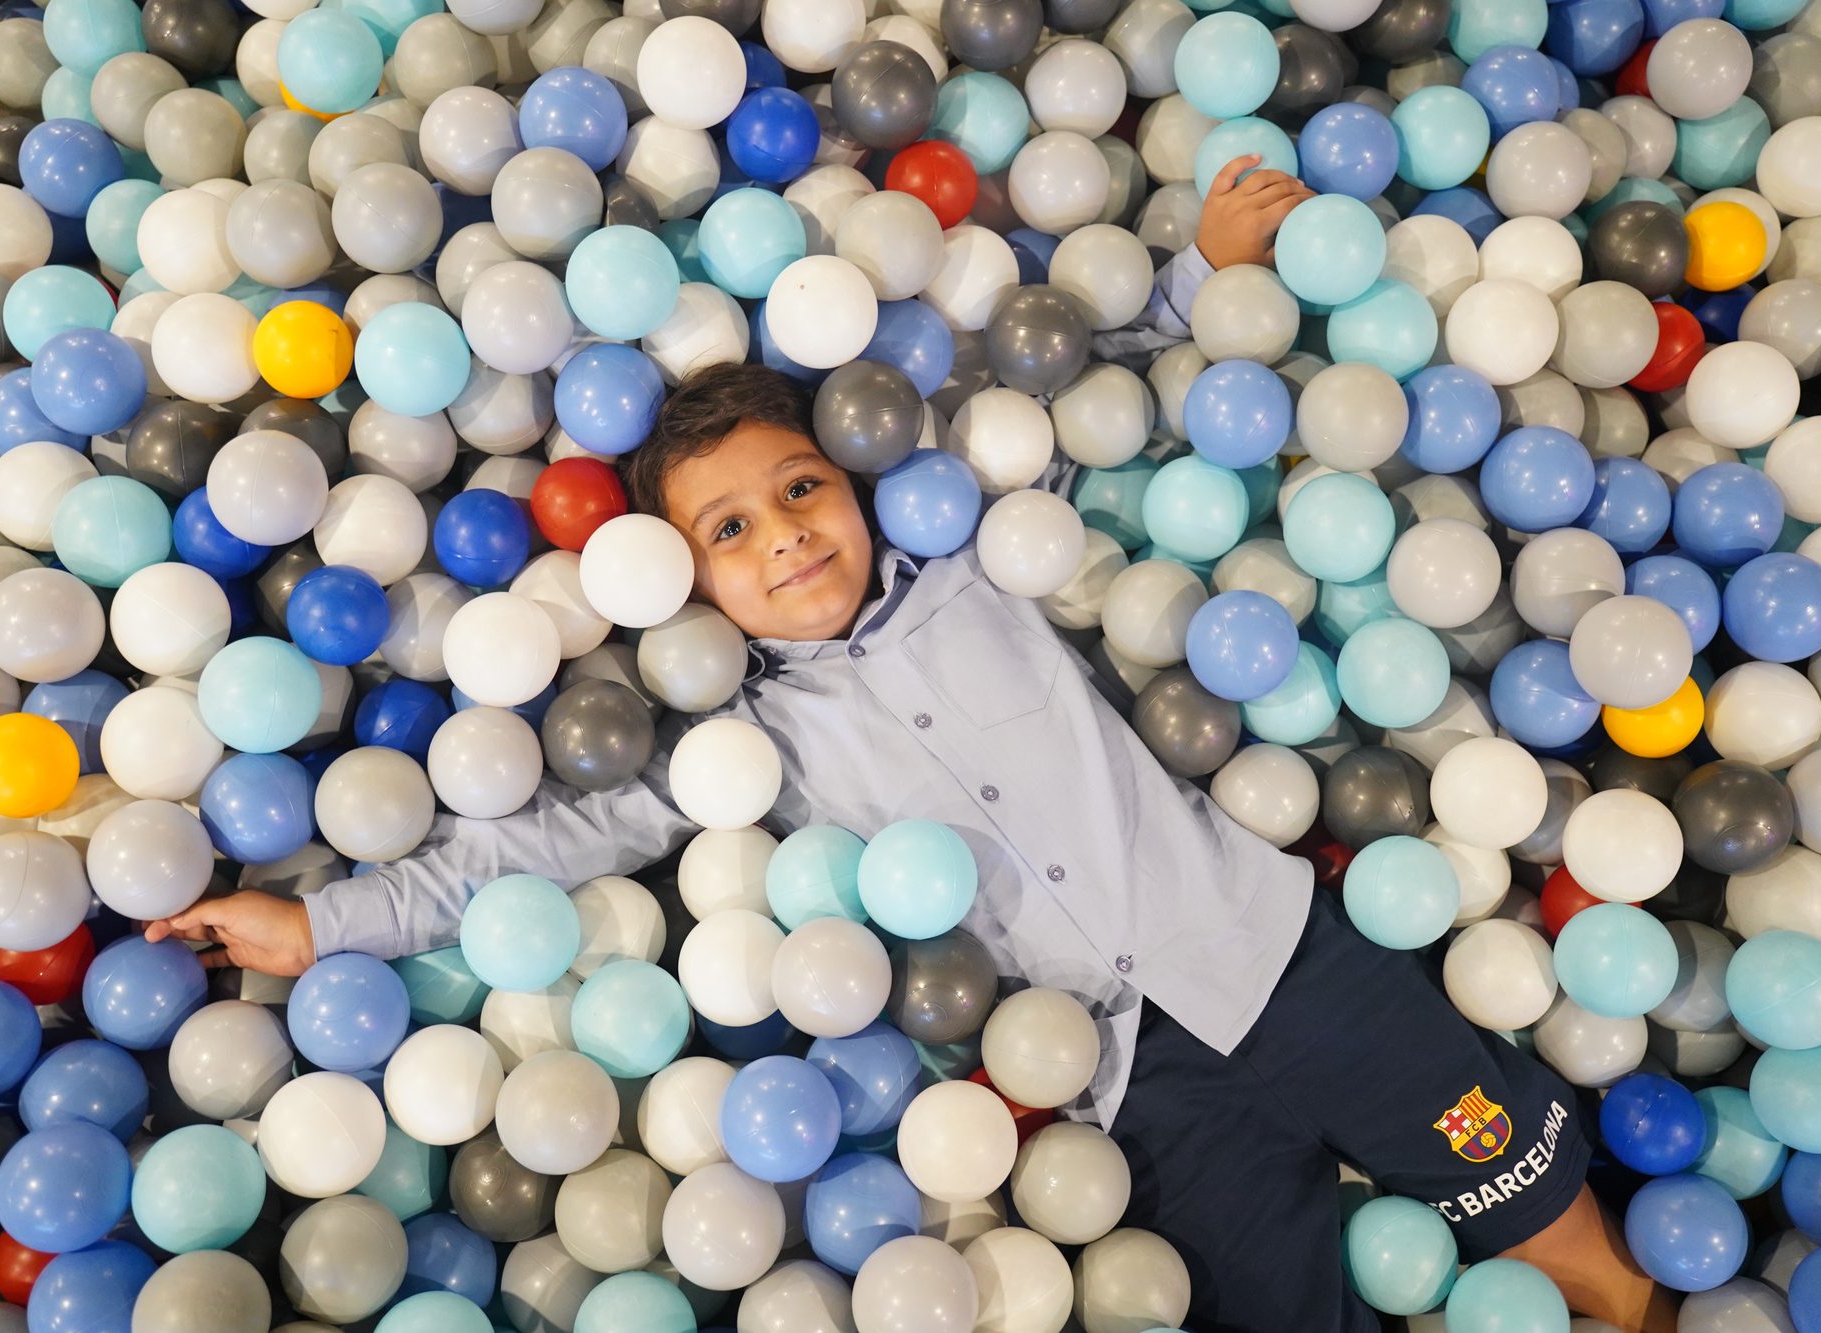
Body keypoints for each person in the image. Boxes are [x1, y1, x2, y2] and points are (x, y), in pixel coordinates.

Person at [146, 158, 1675, 1331]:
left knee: (1529, 1198)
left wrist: (1200, 273)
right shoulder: (737, 732)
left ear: (863, 472)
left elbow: (1077, 395)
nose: (785, 537)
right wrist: (324, 917)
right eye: (730, 532)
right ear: (683, 577)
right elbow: (537, 840)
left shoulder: (974, 566)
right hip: (1114, 1087)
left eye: (802, 488)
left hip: (1277, 957)